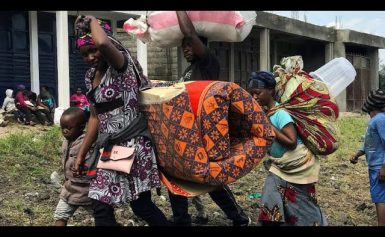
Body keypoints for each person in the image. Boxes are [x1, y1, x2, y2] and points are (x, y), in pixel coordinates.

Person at [72, 15, 169, 226]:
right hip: (112, 147)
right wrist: (81, 153)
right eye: (84, 54)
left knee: (102, 201)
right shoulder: (90, 77)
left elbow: (103, 42)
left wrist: (92, 22)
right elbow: (95, 117)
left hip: (130, 145)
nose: (90, 57)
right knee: (138, 205)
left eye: (93, 51)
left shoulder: (121, 66)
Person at [167, 11, 250, 226]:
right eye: (183, 46)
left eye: (189, 45)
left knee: (212, 180)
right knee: (177, 175)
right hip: (187, 132)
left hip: (205, 133)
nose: (185, 49)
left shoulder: (207, 63)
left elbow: (190, 33)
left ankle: (239, 218)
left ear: (200, 46)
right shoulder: (188, 70)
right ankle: (181, 221)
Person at [247, 71, 326, 226]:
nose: (254, 97)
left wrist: (268, 125)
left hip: (297, 166)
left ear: (270, 90)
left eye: (258, 93)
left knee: (302, 205)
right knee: (271, 198)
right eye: (252, 94)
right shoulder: (267, 113)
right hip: (279, 168)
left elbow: (291, 142)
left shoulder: (280, 113)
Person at [350, 89, 385, 226]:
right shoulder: (376, 121)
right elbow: (370, 143)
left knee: (380, 198)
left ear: (371, 107)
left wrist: (383, 167)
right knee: (378, 196)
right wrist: (358, 154)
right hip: (375, 166)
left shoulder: (380, 120)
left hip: (379, 167)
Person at [54, 107, 94, 226]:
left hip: (87, 191)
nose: (65, 131)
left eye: (69, 128)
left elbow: (93, 163)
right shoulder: (67, 141)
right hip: (69, 189)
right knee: (60, 215)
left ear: (82, 126)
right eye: (62, 128)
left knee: (101, 216)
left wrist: (85, 168)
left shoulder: (86, 143)